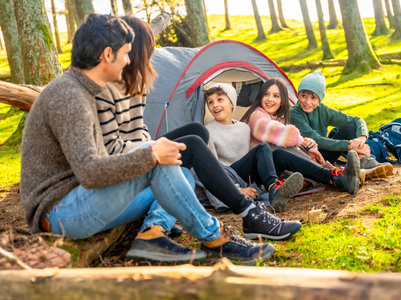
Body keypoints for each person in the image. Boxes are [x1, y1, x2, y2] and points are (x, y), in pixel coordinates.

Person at [20, 14, 276, 266]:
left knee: (182, 175)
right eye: (125, 53)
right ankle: (215, 237)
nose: (129, 60)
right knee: (161, 161)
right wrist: (151, 154)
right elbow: (89, 172)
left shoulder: (83, 91)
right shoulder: (69, 96)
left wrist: (152, 152)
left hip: (79, 200)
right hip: (59, 212)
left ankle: (152, 236)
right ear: (108, 54)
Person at [95, 17, 301, 241]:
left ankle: (164, 218)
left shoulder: (133, 83)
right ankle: (249, 213)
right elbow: (108, 150)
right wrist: (153, 150)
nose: (149, 58)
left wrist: (151, 143)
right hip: (121, 165)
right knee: (192, 145)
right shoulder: (105, 87)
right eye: (147, 51)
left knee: (197, 132)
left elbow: (138, 130)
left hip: (137, 152)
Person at [205, 83, 361, 212]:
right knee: (263, 148)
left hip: (250, 176)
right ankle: (274, 188)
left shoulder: (243, 128)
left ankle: (335, 179)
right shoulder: (208, 133)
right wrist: (236, 191)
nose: (215, 105)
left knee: (279, 154)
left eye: (220, 99)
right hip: (230, 178)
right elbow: (208, 171)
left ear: (232, 102)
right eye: (210, 102)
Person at [290, 71, 393, 180]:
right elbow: (317, 139)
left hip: (324, 153)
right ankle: (360, 166)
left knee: (350, 127)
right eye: (303, 96)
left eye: (313, 98)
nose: (307, 102)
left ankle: (364, 161)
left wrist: (361, 137)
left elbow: (356, 120)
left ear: (319, 99)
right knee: (337, 138)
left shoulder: (322, 110)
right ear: (298, 95)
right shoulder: (294, 113)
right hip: (308, 157)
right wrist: (349, 145)